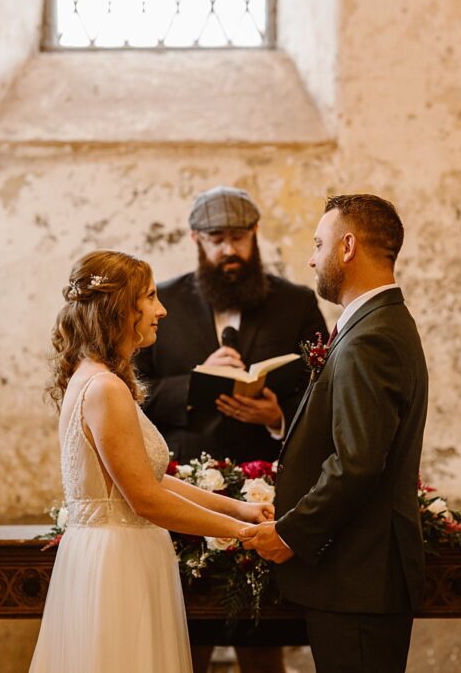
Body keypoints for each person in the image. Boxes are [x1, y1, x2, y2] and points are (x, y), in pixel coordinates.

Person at [30, 250, 275, 673]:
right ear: (121, 309)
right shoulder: (105, 388)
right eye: (150, 297)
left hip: (110, 550)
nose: (161, 310)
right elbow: (144, 498)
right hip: (118, 557)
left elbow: (148, 478)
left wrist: (240, 508)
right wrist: (242, 533)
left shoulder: (92, 377)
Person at [134, 186, 326, 671]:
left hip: (266, 498)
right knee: (184, 643)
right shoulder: (159, 303)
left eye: (238, 237)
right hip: (184, 496)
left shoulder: (296, 302)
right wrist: (197, 382)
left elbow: (325, 389)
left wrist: (277, 416)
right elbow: (130, 391)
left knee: (262, 644)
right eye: (216, 238)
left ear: (255, 235)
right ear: (197, 240)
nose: (228, 250)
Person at [241, 194, 428, 672]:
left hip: (359, 578)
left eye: (318, 243)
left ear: (347, 247)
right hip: (354, 576)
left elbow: (358, 461)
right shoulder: (374, 324)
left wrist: (292, 534)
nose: (311, 257)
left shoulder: (372, 337)